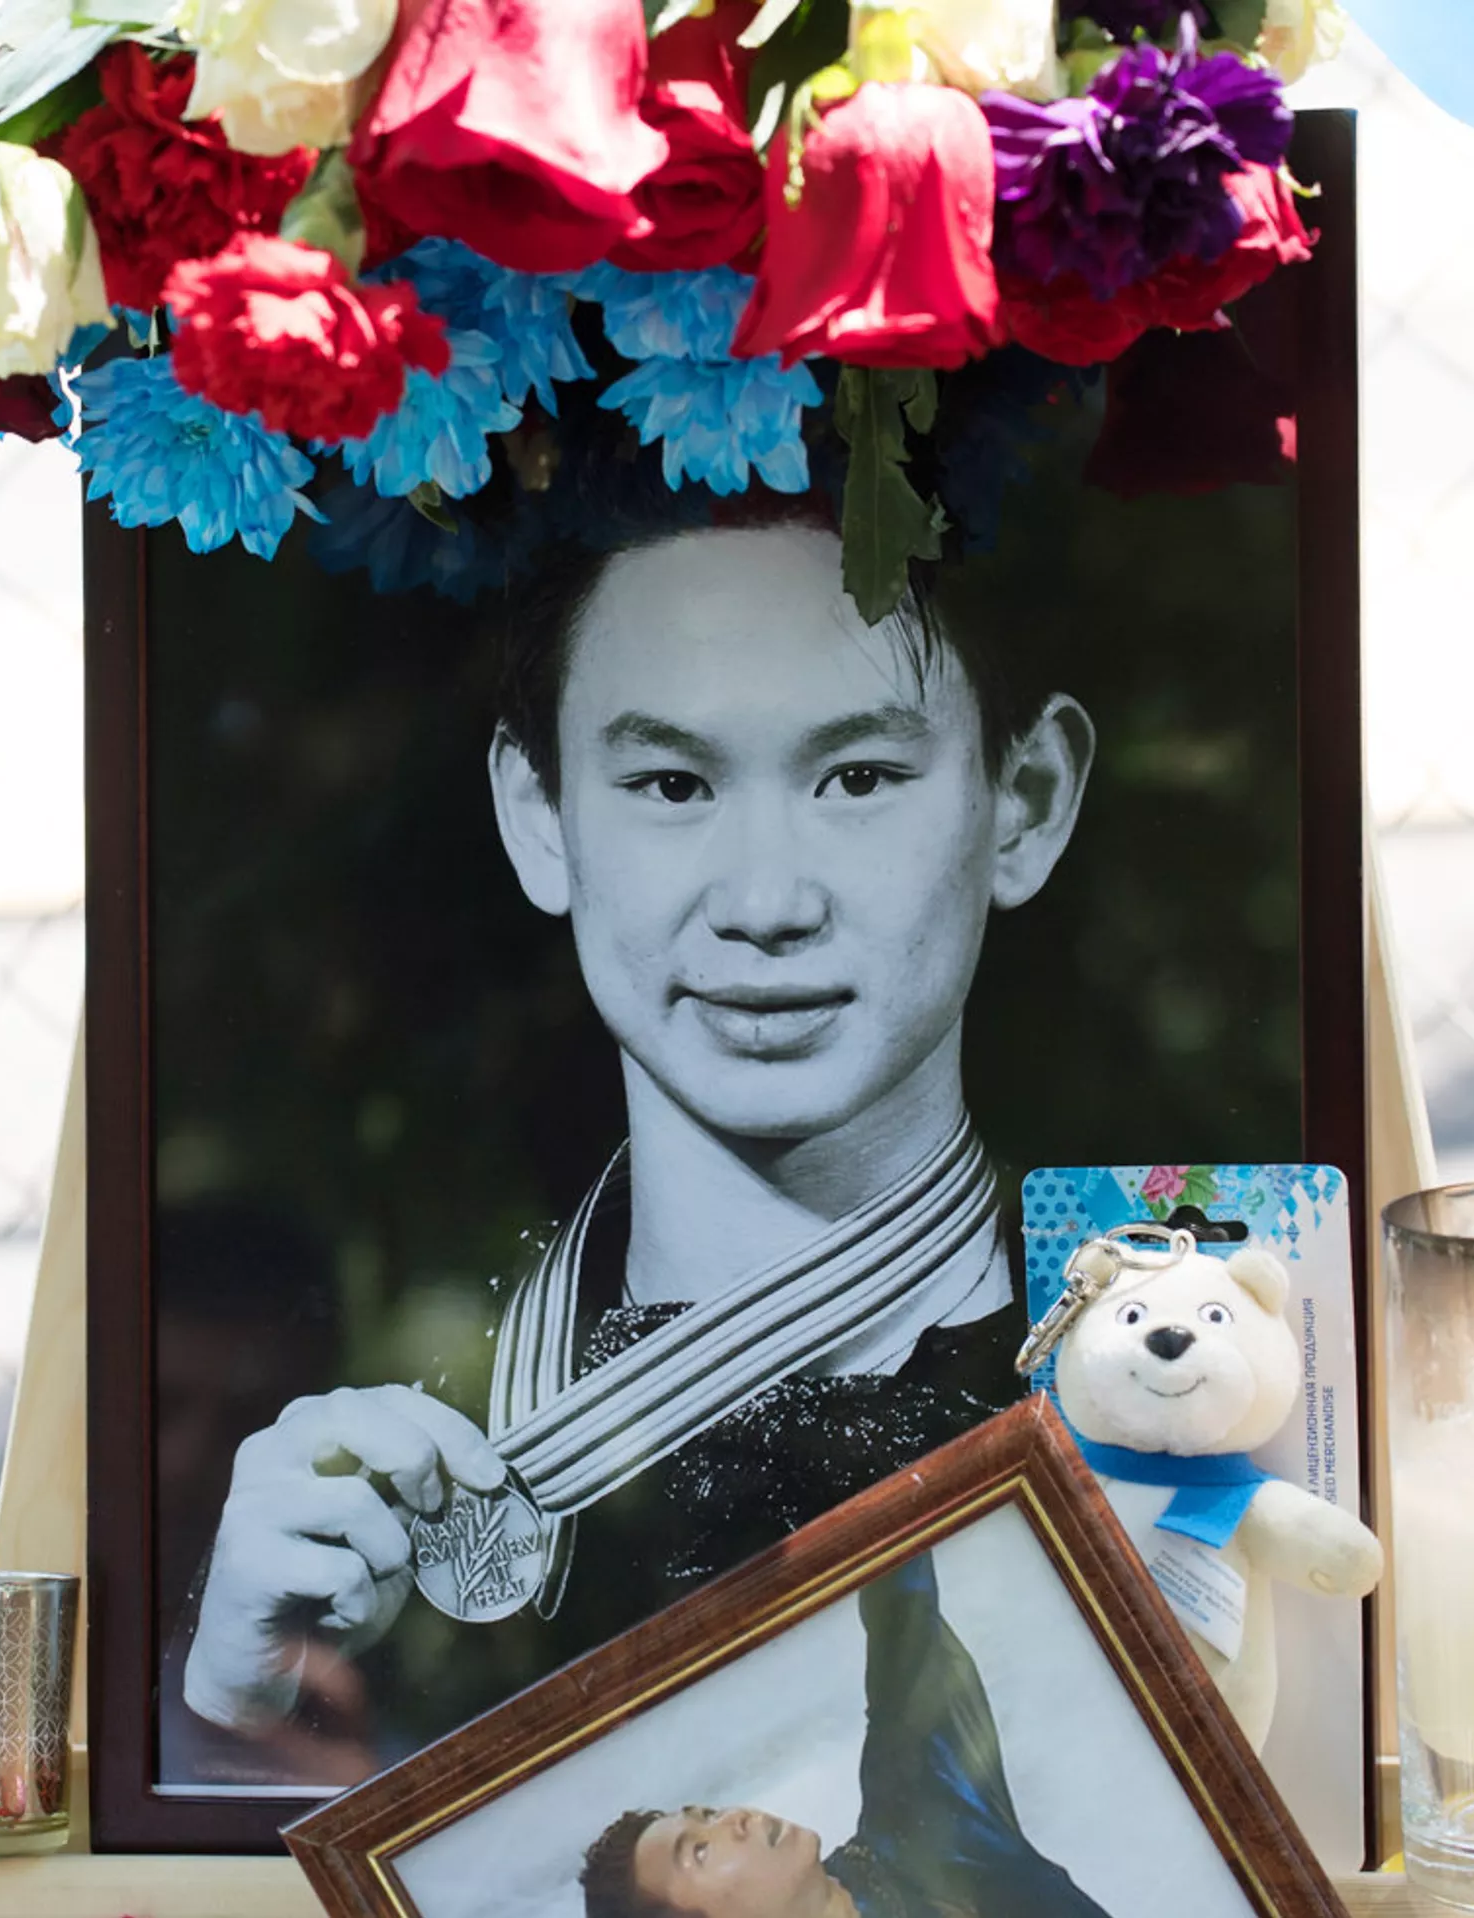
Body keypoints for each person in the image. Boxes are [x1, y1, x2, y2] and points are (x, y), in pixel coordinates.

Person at [178, 498, 1095, 1767]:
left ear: (1026, 801)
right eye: (672, 784)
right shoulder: (399, 1453)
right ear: (536, 815)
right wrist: (237, 1716)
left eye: (859, 779)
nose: (766, 902)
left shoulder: (1156, 1354)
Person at [580, 1553, 1116, 1918]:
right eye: (698, 1851)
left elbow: (900, 1608)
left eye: (709, 1813)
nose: (735, 1819)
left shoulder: (919, 1813)